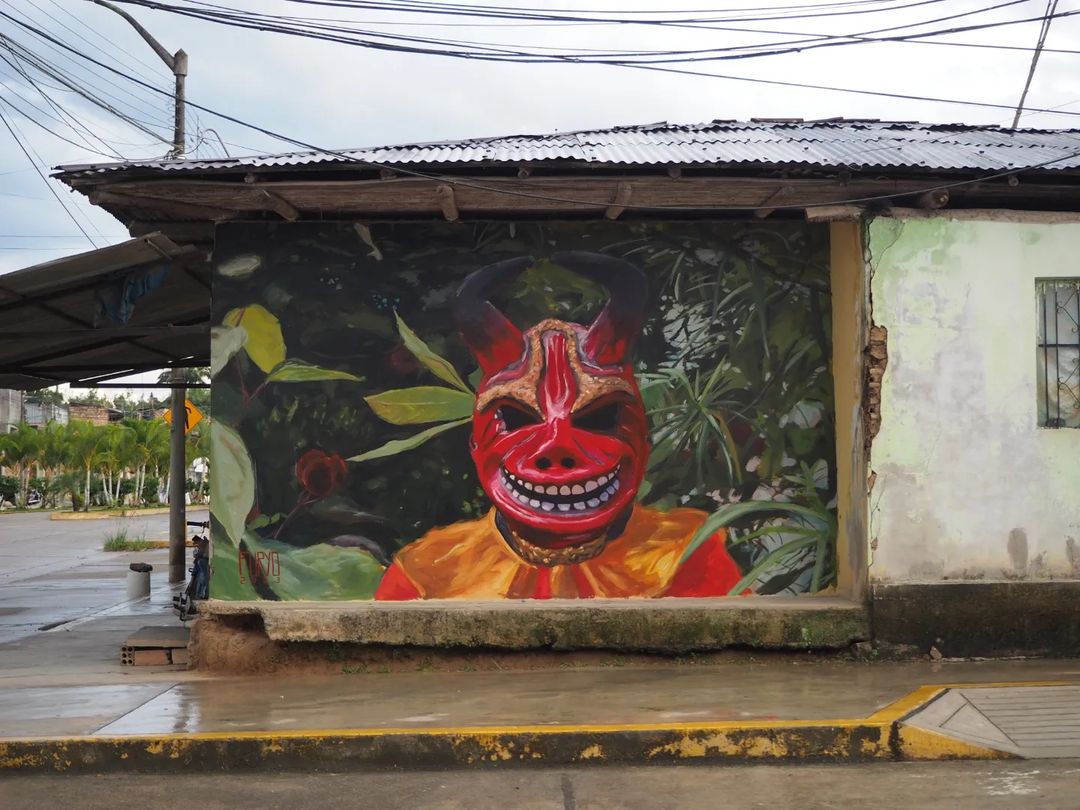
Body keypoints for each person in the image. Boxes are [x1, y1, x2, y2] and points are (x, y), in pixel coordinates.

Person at [375, 252, 741, 600]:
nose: (556, 447)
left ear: (643, 437)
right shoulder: (427, 573)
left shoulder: (687, 555)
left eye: (598, 417)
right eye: (517, 419)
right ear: (476, 443)